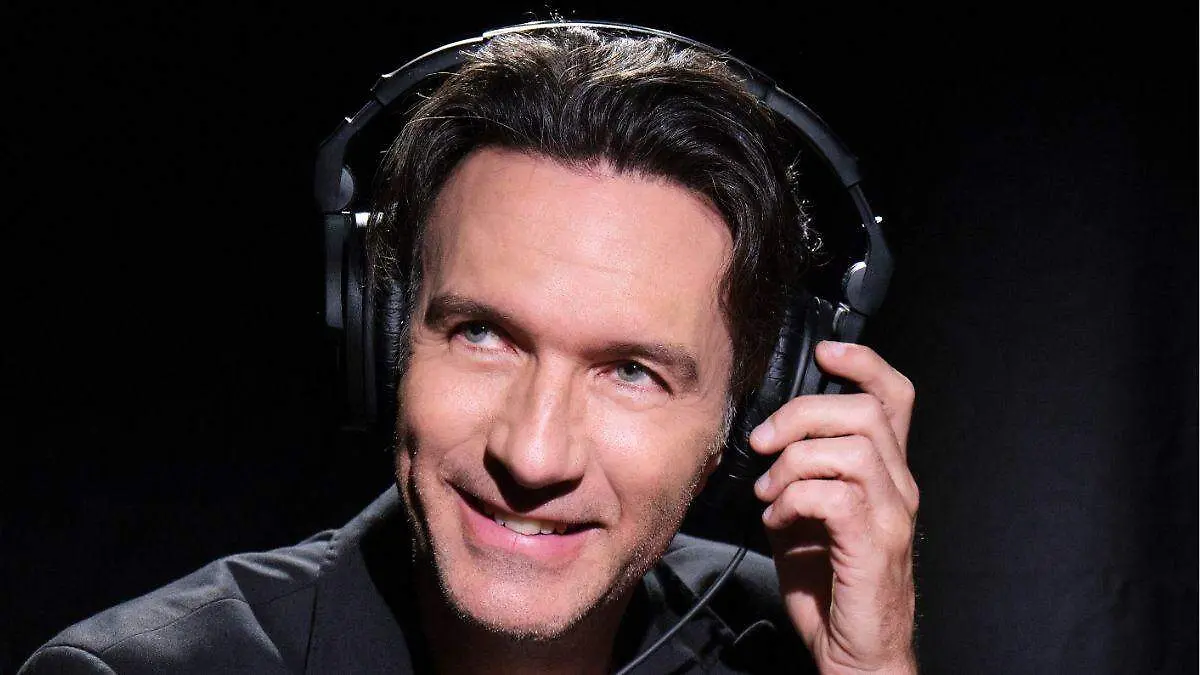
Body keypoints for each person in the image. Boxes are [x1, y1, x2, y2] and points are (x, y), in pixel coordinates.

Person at [20, 24, 919, 674]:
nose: (533, 454)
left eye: (632, 372)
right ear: (385, 333)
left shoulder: (792, 651)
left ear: (756, 405)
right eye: (482, 334)